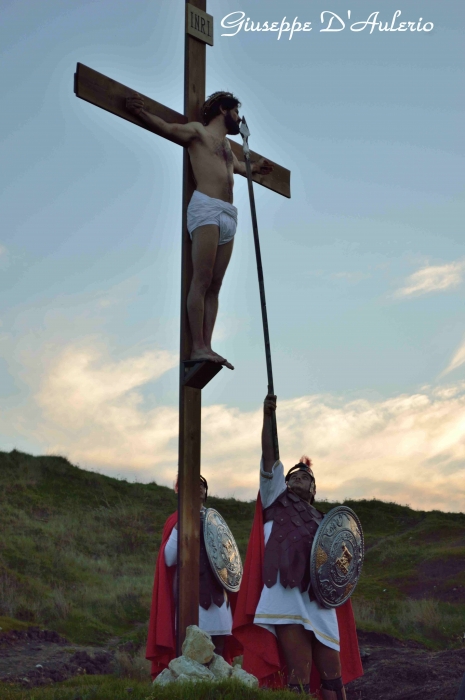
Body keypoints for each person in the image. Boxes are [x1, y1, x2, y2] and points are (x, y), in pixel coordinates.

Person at [126, 91, 273, 370]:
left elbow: (239, 168)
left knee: (215, 286)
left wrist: (258, 168)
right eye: (236, 112)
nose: (239, 119)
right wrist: (140, 112)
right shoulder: (198, 132)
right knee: (202, 279)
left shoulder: (228, 147)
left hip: (229, 214)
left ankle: (208, 345)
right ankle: (198, 347)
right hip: (206, 208)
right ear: (222, 109)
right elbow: (168, 128)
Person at [233, 395, 363, 697]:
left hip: (318, 599)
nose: (300, 478)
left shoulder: (325, 522)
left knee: (333, 678)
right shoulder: (275, 497)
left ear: (314, 489)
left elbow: (342, 565)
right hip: (285, 593)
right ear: (286, 482)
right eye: (295, 476)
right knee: (299, 675)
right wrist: (269, 419)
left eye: (307, 477)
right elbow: (269, 456)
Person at [146, 474, 240, 679]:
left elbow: (229, 559)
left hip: (218, 599)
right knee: (191, 660)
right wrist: (182, 521)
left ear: (206, 493)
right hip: (190, 601)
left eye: (202, 485)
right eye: (193, 484)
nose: (198, 487)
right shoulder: (175, 521)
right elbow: (169, 559)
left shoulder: (216, 521)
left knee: (220, 659)